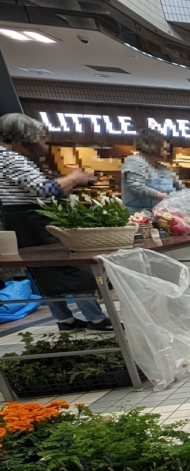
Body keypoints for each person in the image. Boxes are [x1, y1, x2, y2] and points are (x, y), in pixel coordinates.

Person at [0, 113, 110, 330]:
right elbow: (45, 190)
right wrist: (75, 178)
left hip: (20, 221)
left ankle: (65, 320)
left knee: (45, 271)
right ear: (22, 138)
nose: (43, 144)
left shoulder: (7, 157)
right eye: (39, 138)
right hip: (34, 220)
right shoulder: (10, 158)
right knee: (71, 267)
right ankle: (96, 318)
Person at [121, 128, 183, 211]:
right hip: (138, 216)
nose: (167, 153)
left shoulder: (164, 169)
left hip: (161, 215)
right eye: (165, 150)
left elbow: (181, 188)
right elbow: (137, 187)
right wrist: (166, 197)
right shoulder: (134, 161)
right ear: (151, 146)